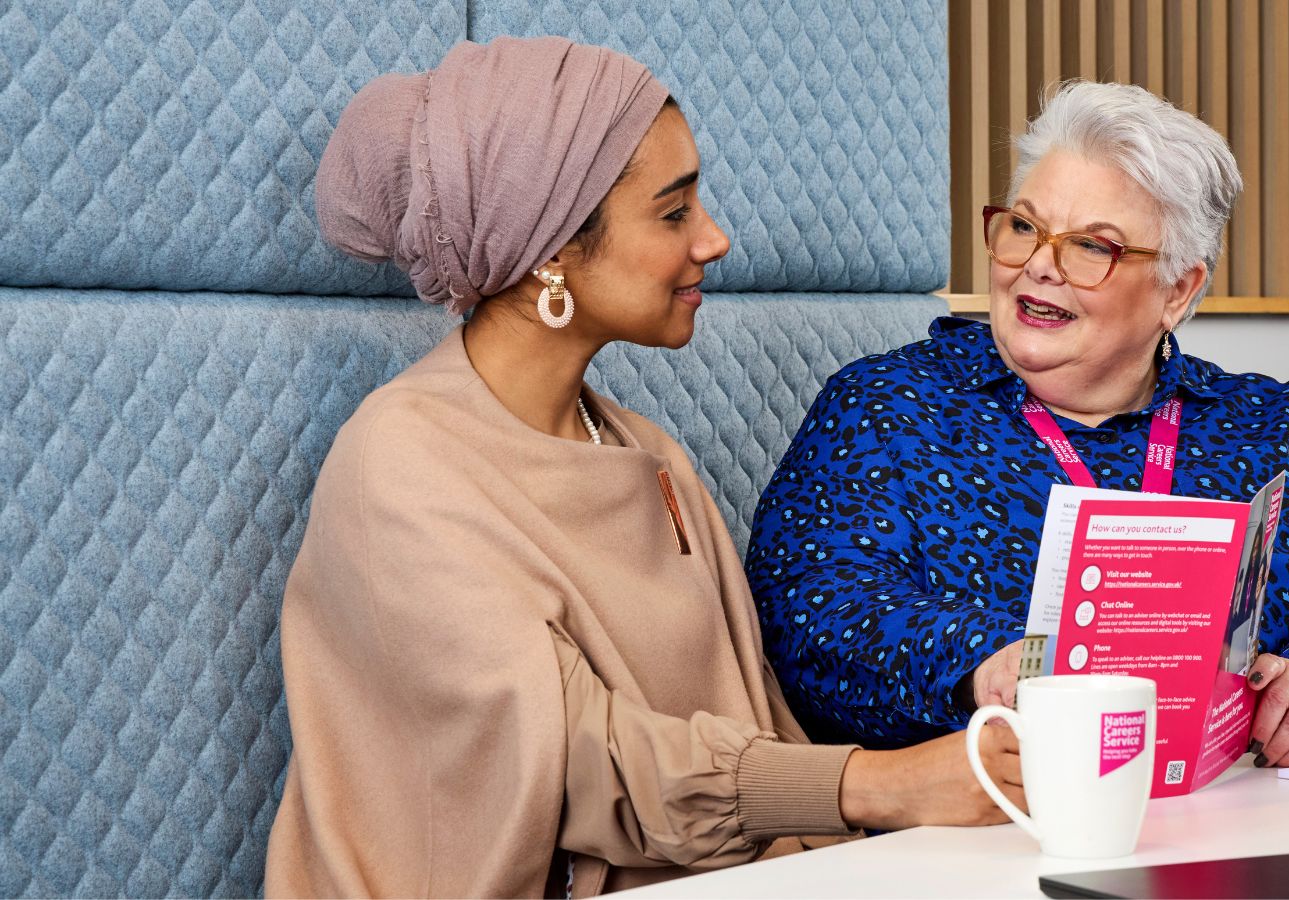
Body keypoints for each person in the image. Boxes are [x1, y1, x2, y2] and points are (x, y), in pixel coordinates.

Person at [264, 36, 1020, 898]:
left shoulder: (645, 452)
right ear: (549, 247)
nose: (715, 238)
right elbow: (575, 764)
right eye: (673, 212)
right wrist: (877, 785)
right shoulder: (400, 464)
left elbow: (755, 722)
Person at [747, 80, 1289, 770]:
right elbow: (805, 612)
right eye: (1024, 226)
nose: (1039, 266)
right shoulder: (890, 405)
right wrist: (985, 665)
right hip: (986, 832)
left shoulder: (1263, 427)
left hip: (1236, 818)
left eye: (1092, 246)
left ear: (1178, 290)